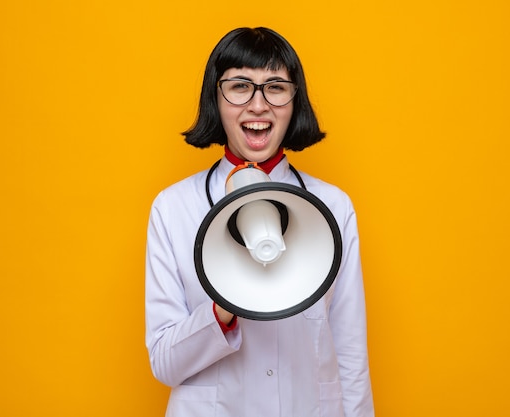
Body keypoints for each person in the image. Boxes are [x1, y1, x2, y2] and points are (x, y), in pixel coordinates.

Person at [145, 27, 374, 417]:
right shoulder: (173, 208)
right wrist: (220, 312)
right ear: (215, 98)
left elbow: (351, 356)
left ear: (294, 99)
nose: (258, 105)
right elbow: (165, 364)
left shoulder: (333, 207)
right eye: (239, 86)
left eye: (275, 87)